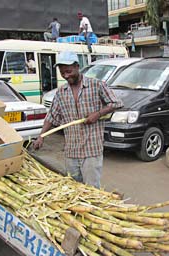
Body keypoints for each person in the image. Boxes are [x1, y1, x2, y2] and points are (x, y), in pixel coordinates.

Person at [33, 51, 123, 189]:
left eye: (68, 71)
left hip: (91, 150)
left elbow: (116, 103)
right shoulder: (61, 92)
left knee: (92, 190)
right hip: (71, 151)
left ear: (77, 66)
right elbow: (51, 116)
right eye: (63, 73)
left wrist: (98, 114)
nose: (66, 76)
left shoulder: (96, 85)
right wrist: (41, 136)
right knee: (74, 189)